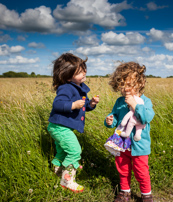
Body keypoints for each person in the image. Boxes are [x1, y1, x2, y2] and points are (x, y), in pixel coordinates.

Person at [47, 53, 99, 193]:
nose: (84, 73)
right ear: (68, 75)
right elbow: (58, 104)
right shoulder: (66, 88)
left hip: (60, 126)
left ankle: (57, 169)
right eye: (80, 71)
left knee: (63, 151)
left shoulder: (79, 87)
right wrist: (73, 105)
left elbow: (83, 106)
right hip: (59, 127)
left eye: (84, 69)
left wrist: (91, 104)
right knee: (75, 151)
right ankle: (67, 181)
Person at [104, 62, 155, 202]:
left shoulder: (145, 101)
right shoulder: (120, 101)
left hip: (140, 145)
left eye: (129, 85)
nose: (125, 89)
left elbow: (147, 118)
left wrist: (135, 105)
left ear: (140, 83)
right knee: (123, 168)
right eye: (122, 85)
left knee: (141, 171)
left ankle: (146, 194)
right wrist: (110, 121)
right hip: (122, 143)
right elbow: (116, 116)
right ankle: (125, 192)